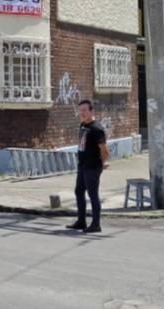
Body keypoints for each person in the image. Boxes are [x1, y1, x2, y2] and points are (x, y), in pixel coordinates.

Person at [68, 99, 109, 233]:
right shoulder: (82, 125)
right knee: (79, 191)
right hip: (82, 165)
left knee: (93, 194)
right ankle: (81, 221)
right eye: (80, 111)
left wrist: (101, 164)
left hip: (92, 166)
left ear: (91, 111)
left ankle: (96, 224)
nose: (82, 113)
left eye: (85, 110)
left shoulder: (97, 129)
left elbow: (104, 150)